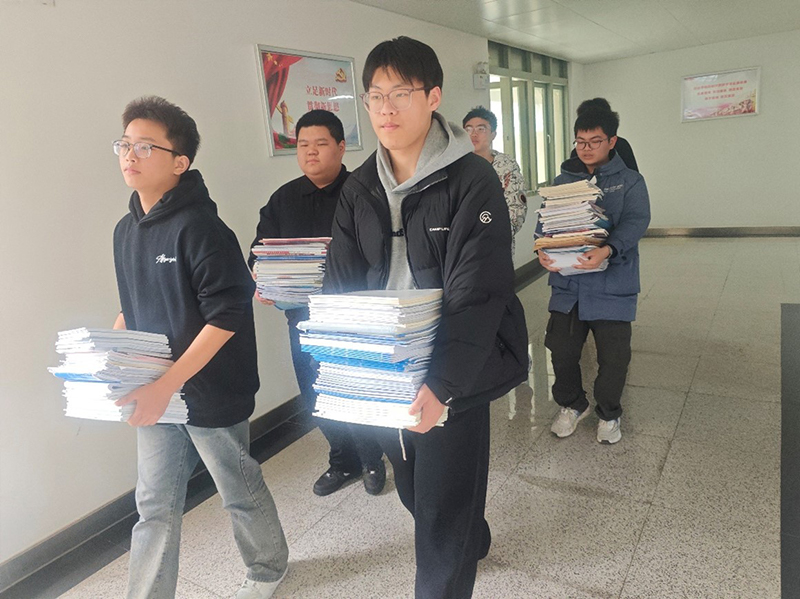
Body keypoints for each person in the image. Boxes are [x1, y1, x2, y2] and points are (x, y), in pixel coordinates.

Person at [323, 37, 529, 599]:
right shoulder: (359, 187)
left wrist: (441, 383)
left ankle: (453, 555)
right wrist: (349, 364)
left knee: (441, 512)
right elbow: (341, 282)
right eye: (374, 96)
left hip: (452, 370)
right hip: (386, 371)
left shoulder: (472, 181)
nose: (385, 109)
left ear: (433, 97)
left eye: (400, 94)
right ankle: (470, 535)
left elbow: (477, 293)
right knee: (416, 489)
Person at [111, 96, 288, 599]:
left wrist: (167, 384)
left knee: (236, 487)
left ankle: (268, 568)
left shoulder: (203, 229)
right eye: (125, 144)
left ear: (179, 162)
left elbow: (227, 315)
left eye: (146, 146)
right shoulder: (125, 231)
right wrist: (110, 356)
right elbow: (133, 306)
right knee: (153, 504)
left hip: (211, 387)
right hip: (157, 392)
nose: (130, 155)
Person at [248, 109, 385, 497]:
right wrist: (261, 278)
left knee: (356, 390)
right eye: (303, 144)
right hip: (302, 316)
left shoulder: (364, 193)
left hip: (352, 315)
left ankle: (372, 458)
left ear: (341, 147)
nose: (310, 152)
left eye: (321, 143)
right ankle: (342, 460)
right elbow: (259, 252)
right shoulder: (283, 199)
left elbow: (381, 256)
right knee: (316, 393)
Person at [538, 107, 650, 445]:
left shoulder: (630, 181)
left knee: (614, 358)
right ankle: (573, 404)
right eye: (580, 141)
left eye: (595, 141)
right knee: (561, 350)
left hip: (612, 284)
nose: (586, 148)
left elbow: (636, 221)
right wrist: (541, 249)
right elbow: (545, 223)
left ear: (612, 141)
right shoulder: (561, 182)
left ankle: (609, 413)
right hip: (569, 284)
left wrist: (608, 249)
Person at [462, 106, 527, 254]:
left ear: (493, 134)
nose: (474, 134)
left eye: (481, 129)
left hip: (497, 245)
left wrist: (492, 236)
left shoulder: (506, 166)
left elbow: (517, 209)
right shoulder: (455, 166)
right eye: (468, 129)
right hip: (463, 248)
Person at [569, 98, 639, 172]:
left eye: (595, 141)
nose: (587, 148)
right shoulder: (577, 153)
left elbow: (632, 174)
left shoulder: (621, 145)